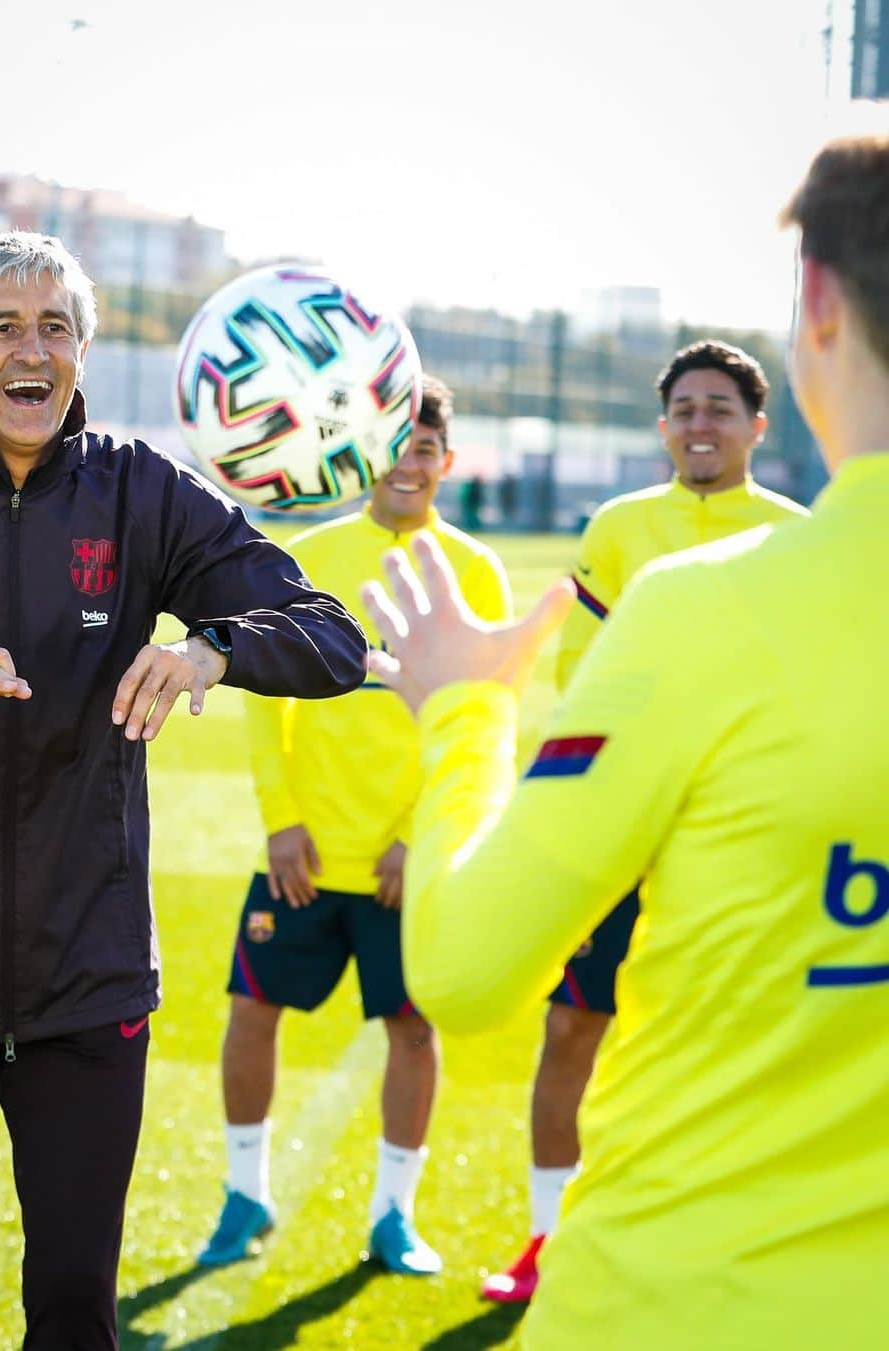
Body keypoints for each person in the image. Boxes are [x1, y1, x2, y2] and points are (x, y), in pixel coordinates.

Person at [362, 129, 889, 1350]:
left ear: (813, 301)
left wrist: (462, 709)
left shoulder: (708, 605)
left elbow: (465, 968)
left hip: (681, 1304)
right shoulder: (662, 563)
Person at [0, 231, 367, 1351]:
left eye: (57, 327)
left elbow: (332, 637)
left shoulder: (143, 493)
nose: (34, 349)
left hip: (86, 968)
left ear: (84, 354)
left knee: (75, 1301)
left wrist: (213, 649)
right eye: (5, 327)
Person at [482, 340, 808, 1302]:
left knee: (738, 1039)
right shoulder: (620, 527)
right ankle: (550, 1241)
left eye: (720, 408)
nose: (700, 424)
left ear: (756, 426)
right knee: (572, 1029)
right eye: (685, 408)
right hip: (626, 825)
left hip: (745, 834)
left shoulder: (795, 533)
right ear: (663, 424)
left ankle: (738, 1236)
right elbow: (584, 677)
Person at [199, 376, 512, 1274]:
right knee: (252, 1011)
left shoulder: (477, 571)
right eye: (394, 445)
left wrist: (424, 832)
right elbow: (263, 694)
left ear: (446, 461)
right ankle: (243, 1193)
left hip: (410, 861)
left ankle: (394, 1215)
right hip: (308, 847)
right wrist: (283, 820)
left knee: (414, 1029)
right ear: (363, 449)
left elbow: (485, 715)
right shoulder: (306, 553)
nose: (408, 464)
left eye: (424, 448)